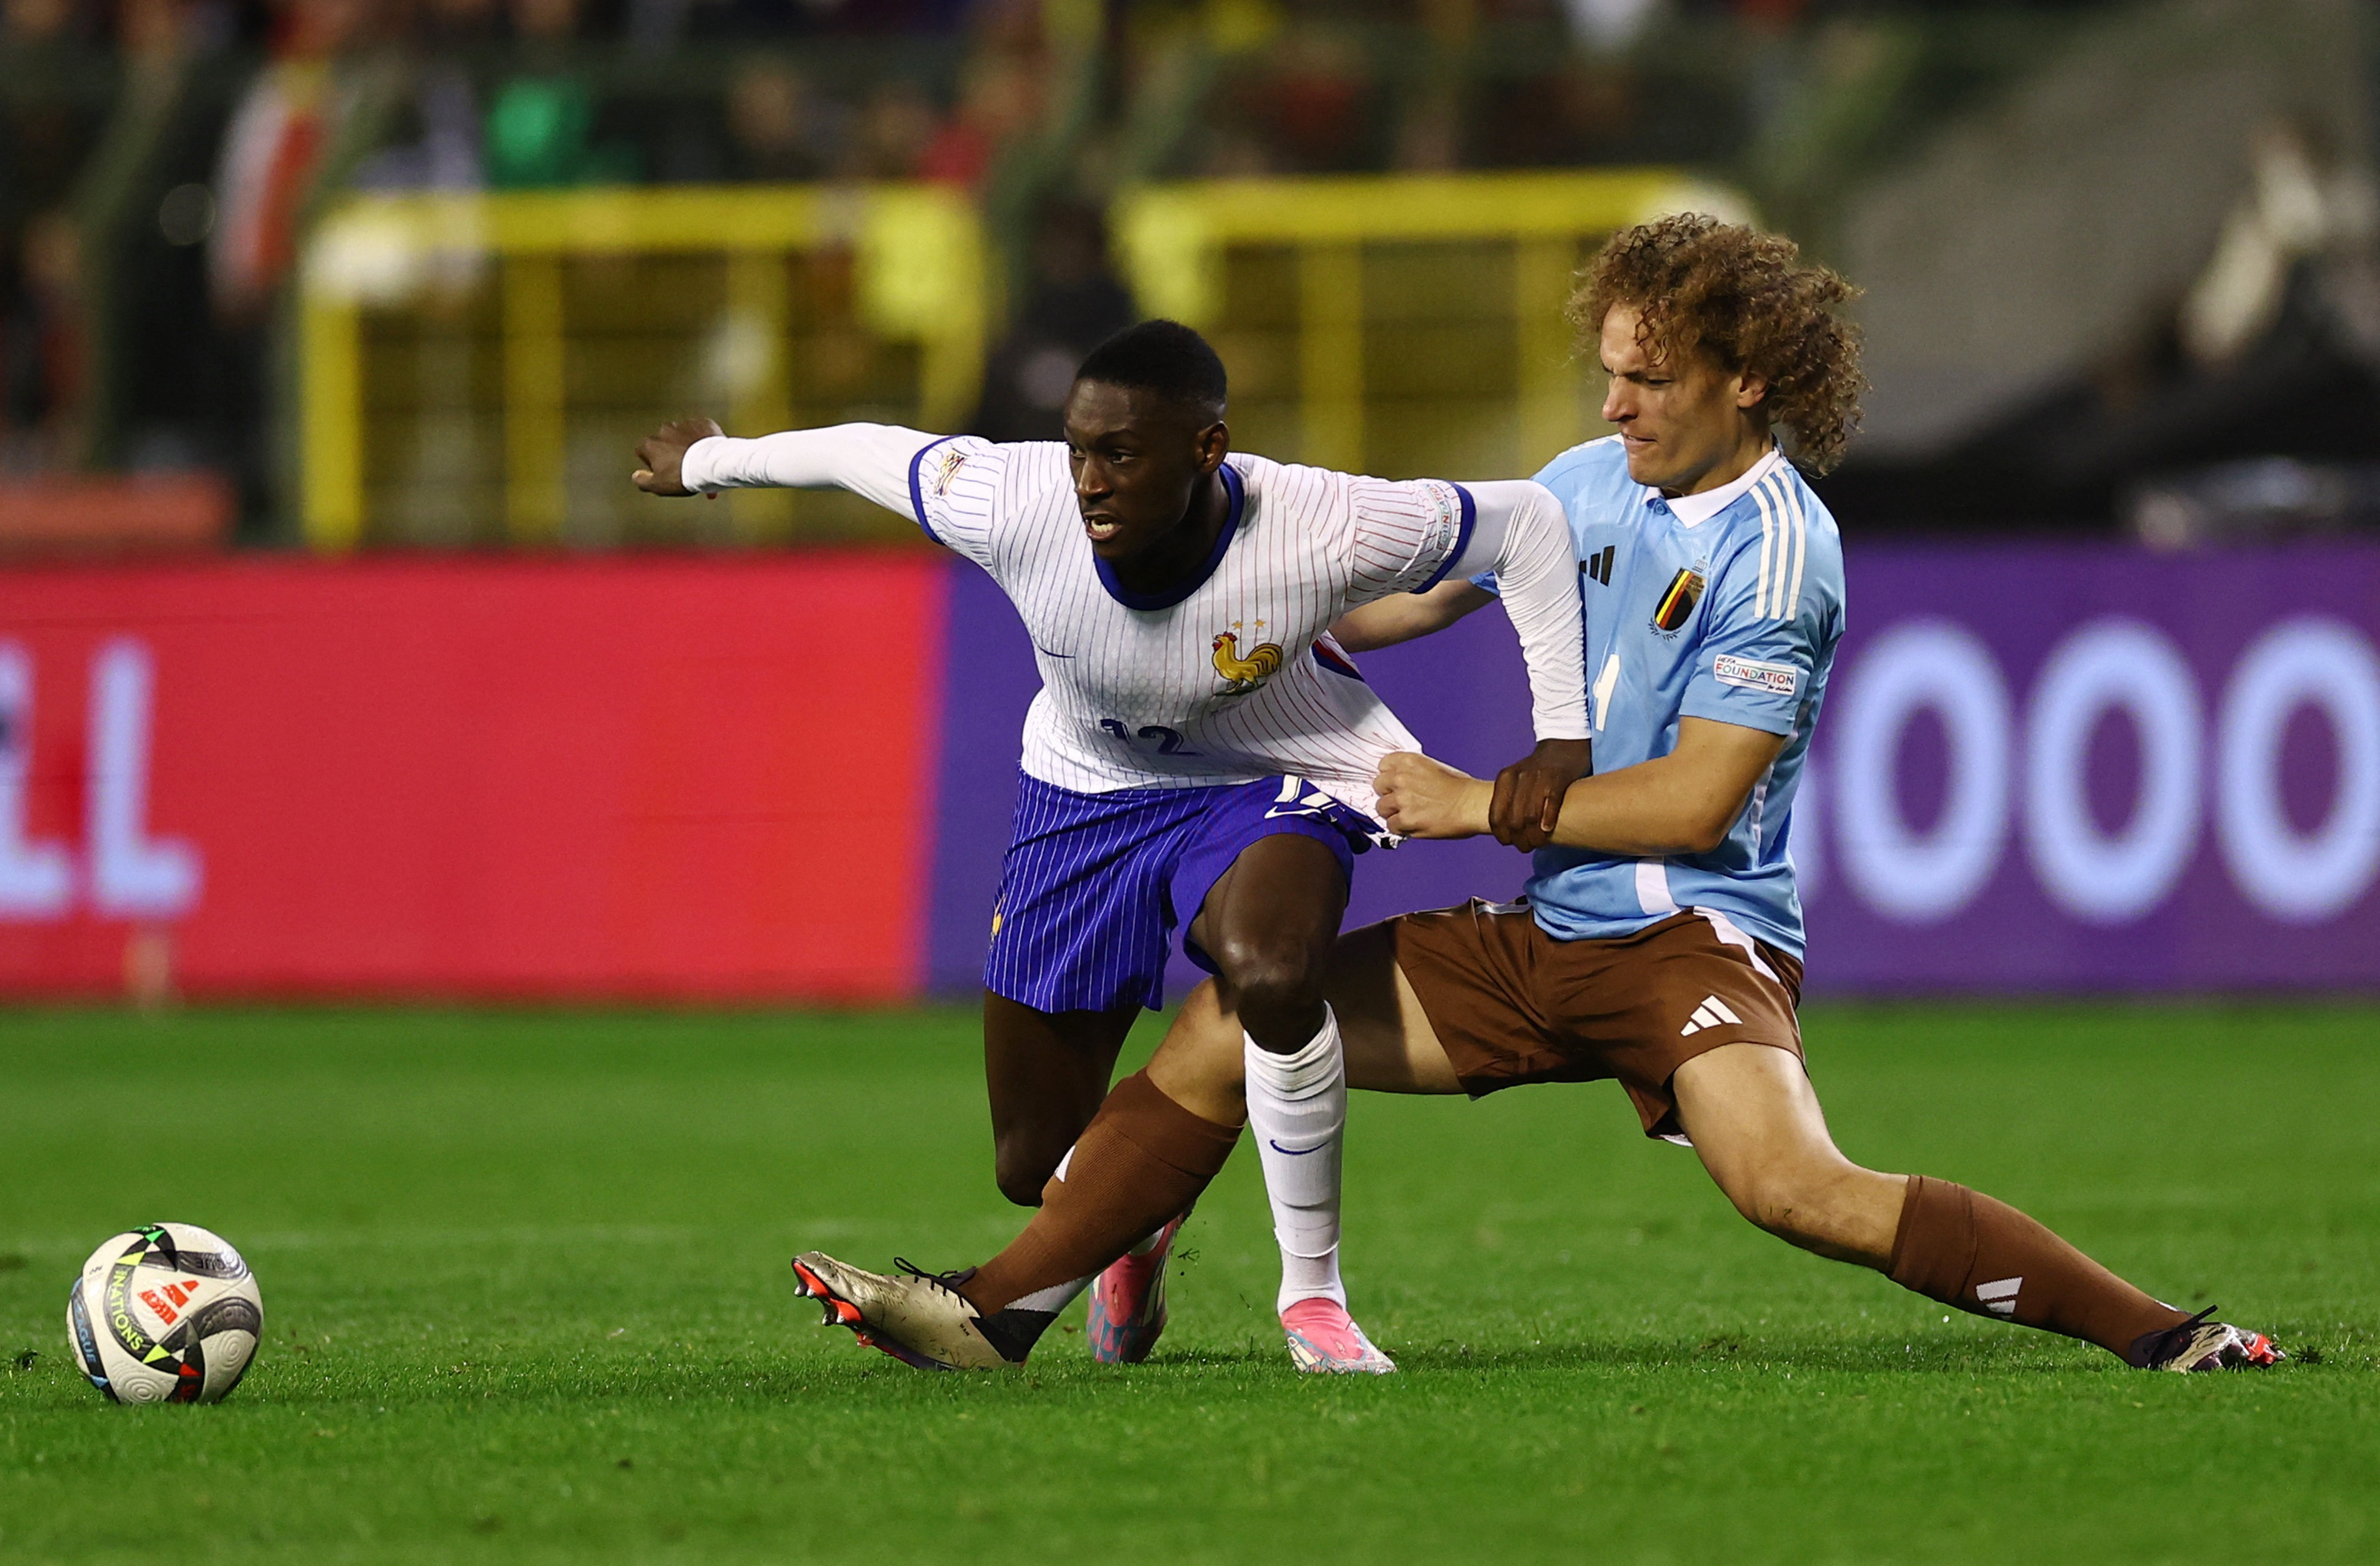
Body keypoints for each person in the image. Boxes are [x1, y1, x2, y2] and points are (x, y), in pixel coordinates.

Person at [785, 218, 2287, 1378]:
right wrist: (1263, 626)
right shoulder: (1587, 475)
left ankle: (2160, 1332)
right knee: (1233, 1021)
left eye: (1649, 376)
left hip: (1693, 936)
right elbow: (1409, 597)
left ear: (1742, 381)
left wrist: (1474, 800)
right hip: (1542, 932)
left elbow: (1696, 801)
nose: (1615, 400)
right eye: (1610, 370)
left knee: (1791, 1187)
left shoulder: (1781, 552)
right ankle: (998, 1308)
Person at [632, 318, 1592, 1373]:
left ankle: (1311, 1299)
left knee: (1272, 970)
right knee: (1036, 1164)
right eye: (1080, 448)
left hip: (1276, 771)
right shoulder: (1011, 497)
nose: (1089, 480)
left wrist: (1559, 741)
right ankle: (1137, 1222)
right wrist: (711, 464)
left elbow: (1528, 526)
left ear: (1206, 451)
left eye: (1121, 454)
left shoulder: (1320, 520)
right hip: (1087, 797)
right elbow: (863, 451)